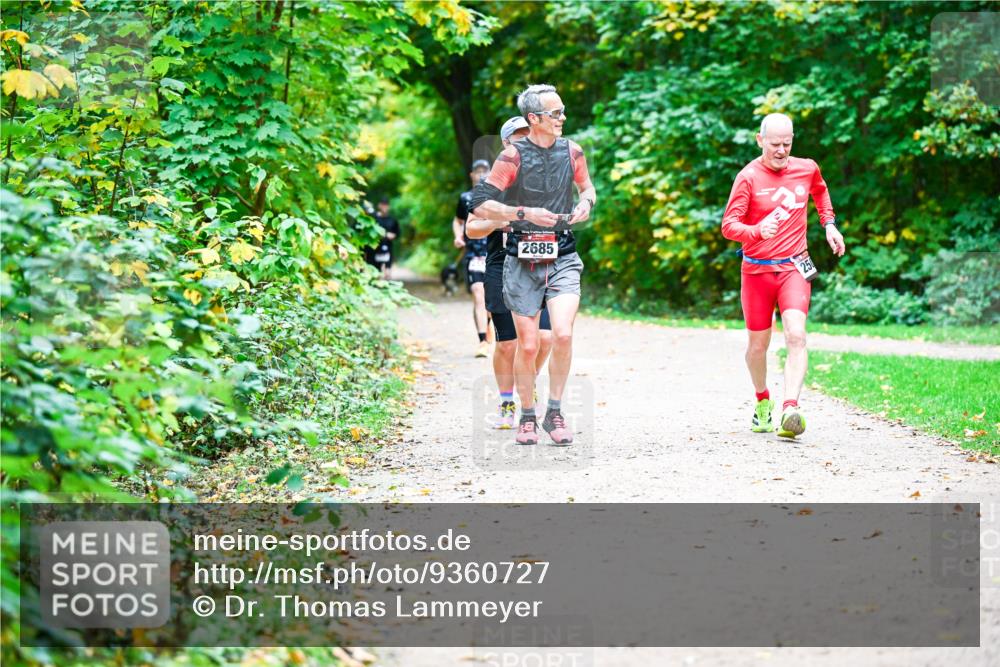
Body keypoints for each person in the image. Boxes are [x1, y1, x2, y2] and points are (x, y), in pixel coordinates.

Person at [469, 84, 596, 446]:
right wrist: (522, 213)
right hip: (521, 262)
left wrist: (586, 203)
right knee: (526, 346)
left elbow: (587, 188)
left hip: (564, 256)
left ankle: (554, 412)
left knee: (562, 334)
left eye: (563, 111)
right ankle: (526, 414)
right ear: (534, 119)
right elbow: (479, 205)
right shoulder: (512, 158)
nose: (563, 118)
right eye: (556, 113)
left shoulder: (573, 151)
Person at [721, 113, 846, 438]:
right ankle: (763, 401)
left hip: (795, 266)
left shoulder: (807, 168)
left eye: (787, 144)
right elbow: (728, 226)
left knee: (796, 335)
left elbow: (820, 192)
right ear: (760, 140)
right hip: (757, 271)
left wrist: (829, 224)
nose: (781, 150)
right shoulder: (748, 177)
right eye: (774, 143)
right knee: (757, 347)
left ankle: (791, 408)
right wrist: (758, 230)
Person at [466, 116, 553, 429]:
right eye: (516, 138)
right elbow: (471, 229)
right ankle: (506, 402)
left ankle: (527, 386)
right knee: (507, 343)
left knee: (545, 338)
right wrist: (497, 222)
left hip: (537, 266)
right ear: (505, 144)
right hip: (502, 266)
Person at [454, 160, 492, 358]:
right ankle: (483, 341)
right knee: (478, 292)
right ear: (472, 175)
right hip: (474, 253)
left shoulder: (499, 197)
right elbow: (458, 220)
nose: (482, 175)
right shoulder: (465, 198)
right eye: (478, 171)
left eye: (485, 171)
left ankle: (491, 327)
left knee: (493, 299)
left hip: (495, 253)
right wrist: (458, 235)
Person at [365, 198, 400, 280]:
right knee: (376, 274)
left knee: (387, 273)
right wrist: (383, 234)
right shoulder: (373, 218)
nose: (385, 207)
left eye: (386, 205)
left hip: (387, 248)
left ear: (388, 206)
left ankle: (386, 287)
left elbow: (397, 233)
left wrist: (393, 236)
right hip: (374, 249)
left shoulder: (392, 220)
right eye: (383, 205)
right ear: (379, 205)